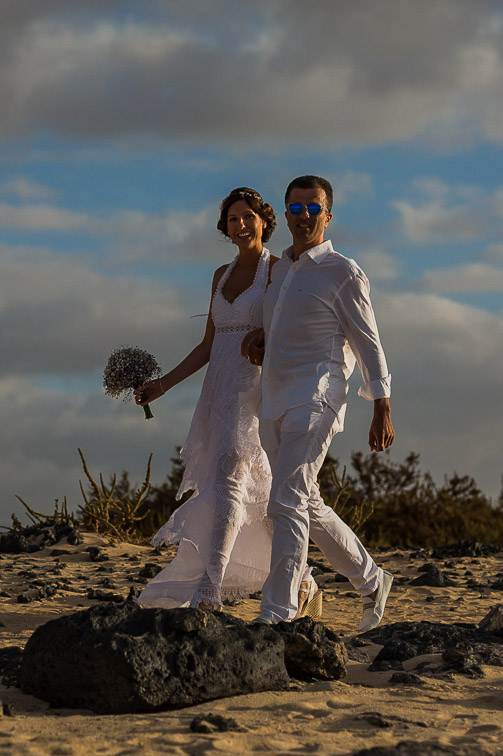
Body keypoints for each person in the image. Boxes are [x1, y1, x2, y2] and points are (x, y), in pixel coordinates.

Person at [134, 187, 316, 614]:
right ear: (226, 227)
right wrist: (163, 384)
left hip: (255, 388)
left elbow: (290, 328)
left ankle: (210, 588)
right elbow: (207, 345)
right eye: (233, 219)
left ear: (264, 222)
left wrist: (267, 341)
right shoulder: (219, 275)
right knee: (254, 488)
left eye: (248, 217)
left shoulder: (276, 270)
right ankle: (304, 579)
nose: (241, 225)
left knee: (237, 473)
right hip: (217, 388)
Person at [242, 174, 396, 631]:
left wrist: (382, 405)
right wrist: (260, 336)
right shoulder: (279, 271)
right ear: (285, 213)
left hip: (318, 395)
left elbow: (368, 342)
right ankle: (372, 581)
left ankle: (278, 612)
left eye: (314, 209)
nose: (304, 216)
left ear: (328, 216)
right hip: (272, 396)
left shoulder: (343, 271)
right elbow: (286, 325)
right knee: (304, 501)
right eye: (296, 208)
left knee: (285, 501)